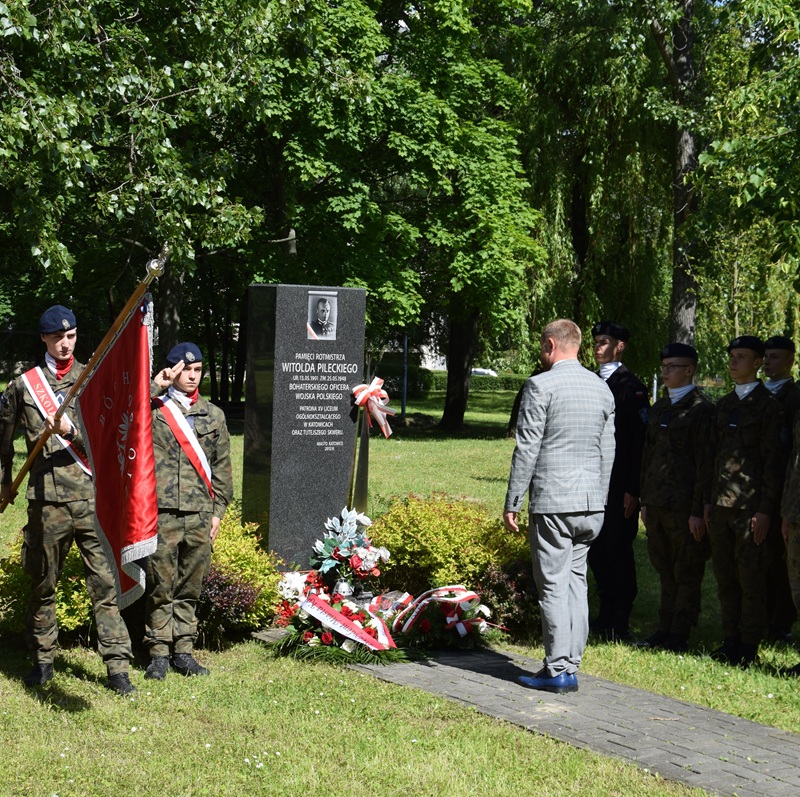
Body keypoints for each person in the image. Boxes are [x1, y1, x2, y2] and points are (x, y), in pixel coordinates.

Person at [0, 305, 135, 694]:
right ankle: (43, 663)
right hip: (46, 504)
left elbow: (109, 439)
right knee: (43, 584)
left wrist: (72, 431)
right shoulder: (23, 386)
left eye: (71, 336)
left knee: (105, 585)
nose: (65, 343)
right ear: (43, 338)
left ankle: (117, 667)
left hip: (92, 501)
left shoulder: (91, 380)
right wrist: (5, 482)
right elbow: (3, 441)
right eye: (58, 337)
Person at [504, 319, 615, 693]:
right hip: (590, 503)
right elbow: (608, 451)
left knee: (552, 585)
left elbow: (527, 447)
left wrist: (513, 501)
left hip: (553, 502)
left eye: (541, 347)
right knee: (576, 583)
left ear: (550, 345)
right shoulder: (601, 389)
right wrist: (600, 498)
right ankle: (570, 665)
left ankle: (556, 670)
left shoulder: (540, 385)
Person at [144, 342, 233, 679]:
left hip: (198, 513)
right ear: (173, 371)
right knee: (160, 584)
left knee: (190, 586)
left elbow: (222, 467)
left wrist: (217, 512)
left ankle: (183, 650)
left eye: (197, 370)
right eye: (186, 370)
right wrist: (157, 385)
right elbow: (126, 412)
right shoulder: (153, 410)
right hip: (162, 512)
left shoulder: (214, 415)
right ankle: (158, 653)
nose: (193, 376)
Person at [707, 335, 784, 667]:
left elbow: (773, 463)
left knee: (751, 578)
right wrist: (707, 503)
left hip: (751, 508)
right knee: (726, 577)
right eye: (732, 356)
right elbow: (712, 459)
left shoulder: (770, 407)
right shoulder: (723, 406)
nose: (734, 362)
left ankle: (749, 644)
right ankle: (730, 639)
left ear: (758, 363)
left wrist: (766, 509)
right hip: (722, 507)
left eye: (742, 357)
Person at [639, 343, 713, 652]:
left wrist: (698, 510)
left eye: (673, 366)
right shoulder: (660, 407)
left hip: (684, 508)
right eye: (664, 365)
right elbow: (649, 455)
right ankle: (665, 627)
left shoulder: (702, 410)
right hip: (657, 503)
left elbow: (705, 464)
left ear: (690, 370)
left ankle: (680, 633)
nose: (665, 371)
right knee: (665, 569)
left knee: (686, 571)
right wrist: (644, 499)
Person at [588, 320, 649, 641]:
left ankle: (620, 617)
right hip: (592, 483)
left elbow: (638, 443)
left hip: (618, 485)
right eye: (596, 341)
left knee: (618, 551)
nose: (598, 347)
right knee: (597, 550)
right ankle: (605, 612)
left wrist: (633, 489)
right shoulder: (590, 380)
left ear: (620, 346)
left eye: (605, 341)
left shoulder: (631, 386)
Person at [762, 335, 800, 641]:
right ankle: (765, 616)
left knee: (784, 559)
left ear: (789, 361)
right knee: (764, 557)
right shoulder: (760, 394)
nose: (767, 363)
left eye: (775, 357)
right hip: (765, 486)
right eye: (766, 357)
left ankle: (782, 621)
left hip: (788, 489)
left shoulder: (794, 396)